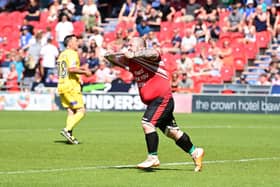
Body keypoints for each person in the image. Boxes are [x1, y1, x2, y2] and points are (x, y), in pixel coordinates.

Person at [104, 37, 204, 172]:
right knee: (172, 132)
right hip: (154, 101)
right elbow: (115, 61)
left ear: (140, 47)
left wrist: (134, 54)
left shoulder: (149, 57)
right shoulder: (133, 63)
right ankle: (195, 152)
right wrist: (109, 55)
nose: (129, 47)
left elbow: (153, 52)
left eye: (131, 45)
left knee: (147, 123)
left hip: (162, 98)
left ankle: (153, 157)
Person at [57, 34, 92, 144]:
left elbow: (67, 69)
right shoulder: (72, 53)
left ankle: (69, 136)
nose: (78, 43)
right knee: (81, 111)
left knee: (71, 111)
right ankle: (67, 130)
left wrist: (80, 70)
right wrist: (84, 72)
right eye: (76, 41)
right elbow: (71, 69)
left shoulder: (62, 54)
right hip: (71, 87)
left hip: (62, 85)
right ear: (70, 43)